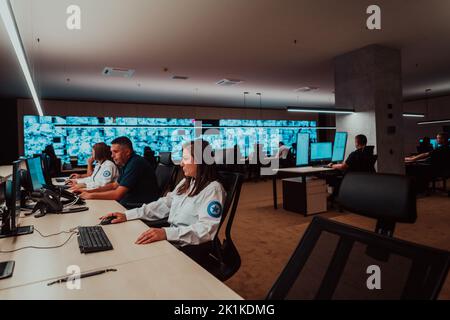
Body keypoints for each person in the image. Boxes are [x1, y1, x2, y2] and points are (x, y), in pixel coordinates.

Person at [100, 139, 226, 251]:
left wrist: (166, 233)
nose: (181, 163)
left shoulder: (213, 189)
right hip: (173, 238)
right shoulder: (186, 183)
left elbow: (206, 230)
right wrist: (127, 215)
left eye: (185, 159)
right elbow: (163, 204)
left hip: (189, 247)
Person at [79, 137, 159, 209]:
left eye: (115, 152)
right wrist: (90, 191)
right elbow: (114, 185)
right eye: (111, 152)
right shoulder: (127, 163)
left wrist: (91, 195)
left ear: (127, 152)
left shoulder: (135, 163)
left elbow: (117, 194)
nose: (112, 156)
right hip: (127, 203)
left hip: (137, 206)